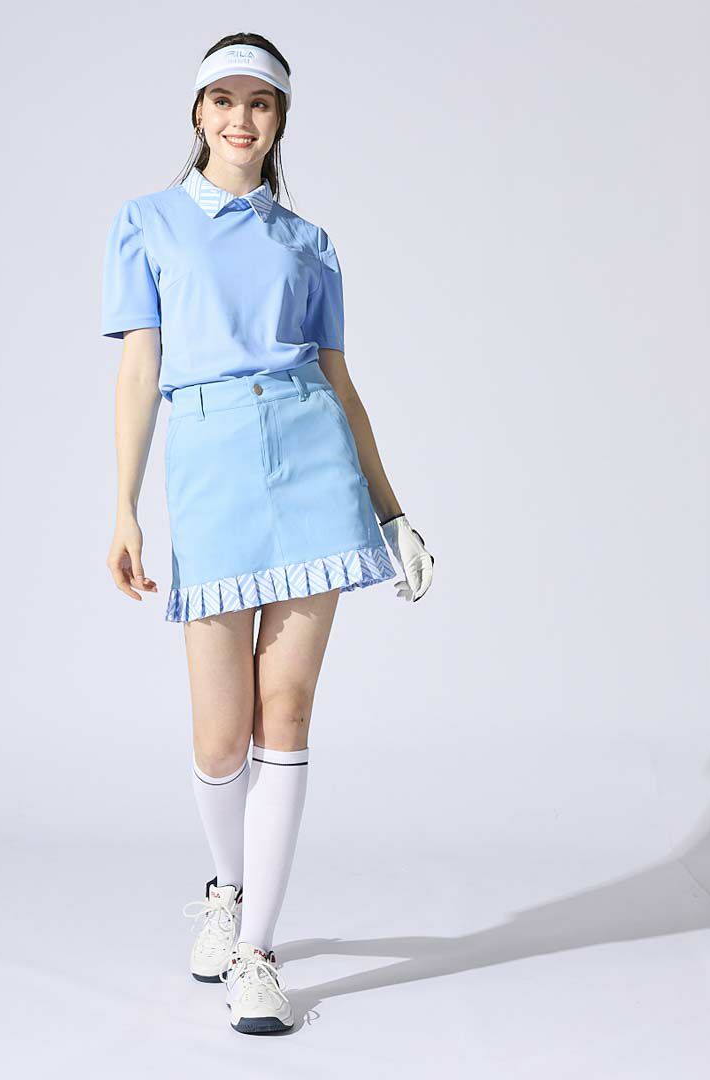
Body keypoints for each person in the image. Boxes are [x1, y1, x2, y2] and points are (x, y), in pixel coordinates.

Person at [101, 33, 436, 1035]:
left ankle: (258, 951)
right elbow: (139, 369)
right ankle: (227, 889)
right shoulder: (147, 222)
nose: (240, 118)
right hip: (210, 472)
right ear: (198, 112)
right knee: (220, 734)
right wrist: (123, 506)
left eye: (260, 102)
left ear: (280, 119)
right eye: (224, 100)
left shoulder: (309, 242)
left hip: (312, 465)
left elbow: (339, 382)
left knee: (283, 716)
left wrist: (391, 509)